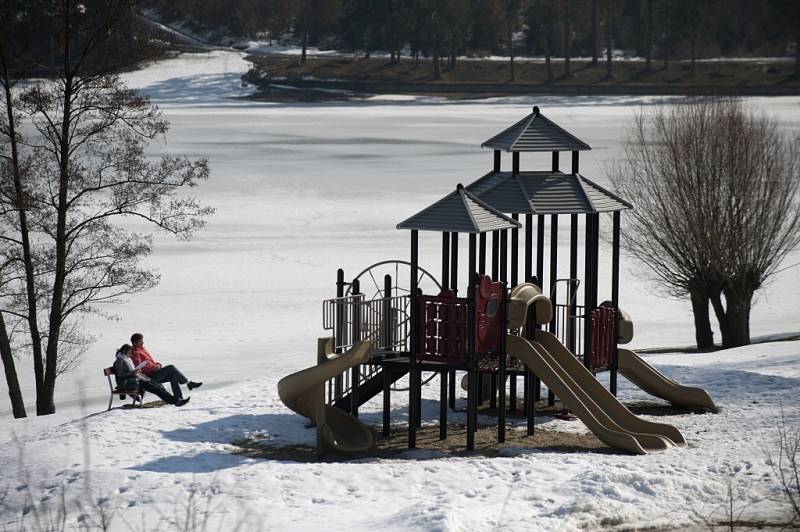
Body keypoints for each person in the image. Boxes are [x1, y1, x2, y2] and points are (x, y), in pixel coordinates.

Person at [129, 333, 201, 403]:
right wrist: (154, 367)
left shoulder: (142, 349)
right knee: (171, 367)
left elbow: (150, 362)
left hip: (154, 373)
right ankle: (188, 383)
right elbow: (140, 367)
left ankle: (179, 398)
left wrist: (158, 365)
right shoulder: (135, 352)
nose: (143, 342)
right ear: (135, 343)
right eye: (140, 341)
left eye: (142, 340)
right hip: (148, 378)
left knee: (173, 375)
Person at [114, 344, 190, 407]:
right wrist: (133, 372)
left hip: (136, 379)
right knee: (156, 388)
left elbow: (130, 371)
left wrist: (138, 372)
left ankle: (176, 400)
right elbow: (120, 375)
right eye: (129, 352)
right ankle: (176, 401)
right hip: (130, 383)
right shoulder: (119, 361)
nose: (131, 354)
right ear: (124, 351)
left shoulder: (126, 359)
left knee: (157, 387)